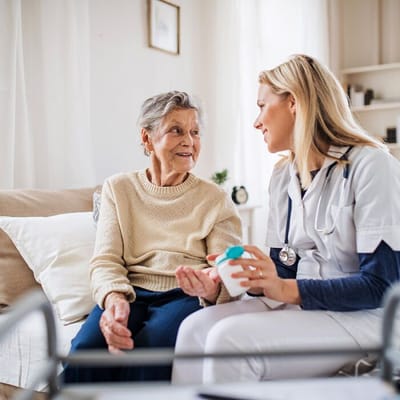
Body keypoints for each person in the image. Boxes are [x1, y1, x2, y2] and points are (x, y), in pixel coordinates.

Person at [172, 54, 400, 384]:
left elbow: (382, 286)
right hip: (308, 305)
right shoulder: (283, 176)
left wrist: (283, 287)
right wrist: (230, 278)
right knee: (195, 328)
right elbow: (285, 265)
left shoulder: (372, 166)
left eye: (262, 106)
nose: (256, 121)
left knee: (231, 342)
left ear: (293, 102)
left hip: (366, 315)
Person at [63, 91, 242, 383]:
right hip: (130, 291)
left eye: (194, 132)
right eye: (176, 130)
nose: (189, 141)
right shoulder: (118, 188)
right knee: (86, 350)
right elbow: (105, 259)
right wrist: (113, 299)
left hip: (185, 296)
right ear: (147, 139)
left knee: (151, 349)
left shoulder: (215, 199)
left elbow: (228, 273)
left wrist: (211, 287)